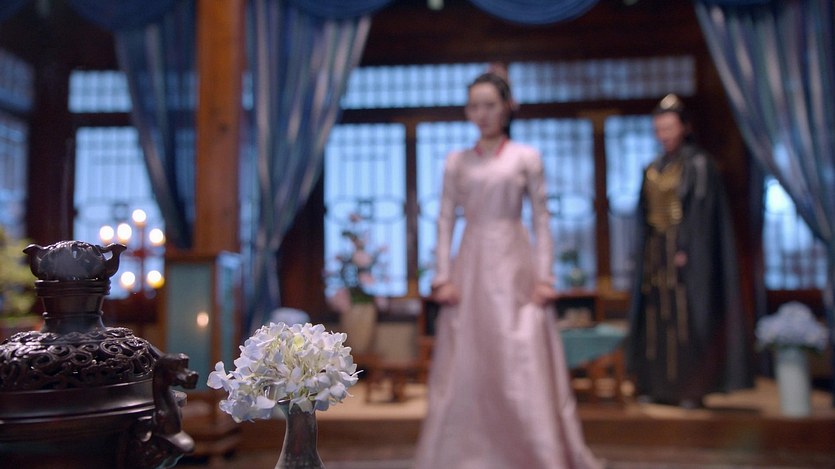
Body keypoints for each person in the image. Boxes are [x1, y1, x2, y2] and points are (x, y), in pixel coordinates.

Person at [413, 71, 603, 469]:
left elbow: (543, 219)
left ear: (507, 107)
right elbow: (444, 220)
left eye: (490, 105)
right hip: (471, 262)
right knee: (468, 356)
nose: (482, 114)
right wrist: (442, 276)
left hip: (515, 261)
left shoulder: (525, 156)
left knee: (520, 350)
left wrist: (545, 276)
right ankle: (467, 454)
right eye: (474, 106)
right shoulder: (456, 162)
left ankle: (535, 451)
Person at [625, 94, 753, 409]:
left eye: (669, 127)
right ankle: (654, 384)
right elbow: (644, 214)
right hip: (656, 254)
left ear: (684, 127)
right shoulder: (652, 168)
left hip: (686, 255)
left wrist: (687, 248)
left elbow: (701, 216)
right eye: (659, 129)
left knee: (685, 318)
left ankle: (689, 388)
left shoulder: (699, 165)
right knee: (654, 317)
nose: (664, 134)